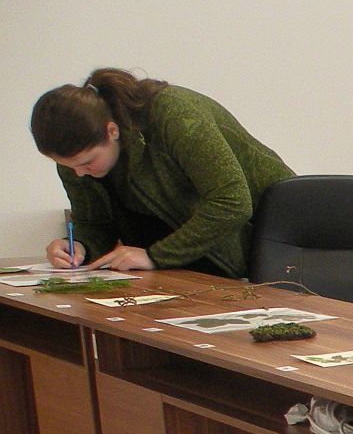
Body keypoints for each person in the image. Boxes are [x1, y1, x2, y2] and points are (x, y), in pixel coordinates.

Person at [30, 68, 293, 279]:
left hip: (271, 246)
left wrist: (155, 256)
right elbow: (95, 224)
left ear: (112, 131)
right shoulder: (75, 157)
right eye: (68, 165)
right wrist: (79, 247)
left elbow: (232, 202)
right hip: (182, 267)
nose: (78, 174)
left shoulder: (174, 115)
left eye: (87, 162)